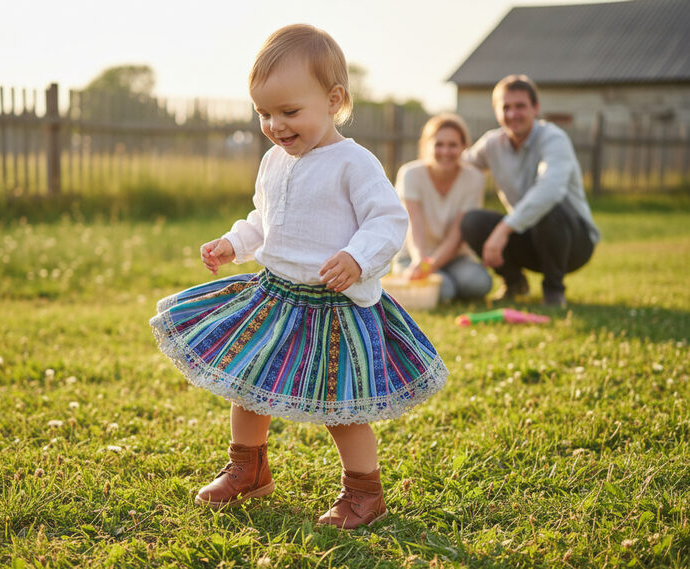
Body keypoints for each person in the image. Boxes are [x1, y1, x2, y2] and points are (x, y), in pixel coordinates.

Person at [149, 24, 448, 530]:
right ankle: (249, 467)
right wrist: (234, 243)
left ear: (334, 100)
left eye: (289, 112)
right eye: (264, 113)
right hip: (275, 297)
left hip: (332, 305)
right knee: (247, 385)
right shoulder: (273, 161)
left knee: (343, 407)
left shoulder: (353, 162)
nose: (275, 125)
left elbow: (388, 219)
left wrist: (357, 256)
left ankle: (363, 492)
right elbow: (265, 218)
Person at [460, 74, 600, 307]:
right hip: (528, 237)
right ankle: (515, 283)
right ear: (496, 112)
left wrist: (502, 230)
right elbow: (461, 164)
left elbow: (549, 190)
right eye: (506, 107)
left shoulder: (554, 138)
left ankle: (554, 291)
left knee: (548, 209)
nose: (513, 114)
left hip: (573, 242)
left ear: (536, 108)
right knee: (471, 222)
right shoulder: (491, 144)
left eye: (520, 106)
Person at [392, 113, 492, 301]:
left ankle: (450, 281)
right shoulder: (410, 174)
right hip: (415, 257)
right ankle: (447, 284)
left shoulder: (474, 178)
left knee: (480, 284)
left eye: (452, 145)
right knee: (445, 291)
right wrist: (421, 262)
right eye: (439, 144)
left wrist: (432, 266)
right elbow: (415, 225)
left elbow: (457, 233)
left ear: (464, 147)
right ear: (426, 146)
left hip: (456, 257)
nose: (445, 151)